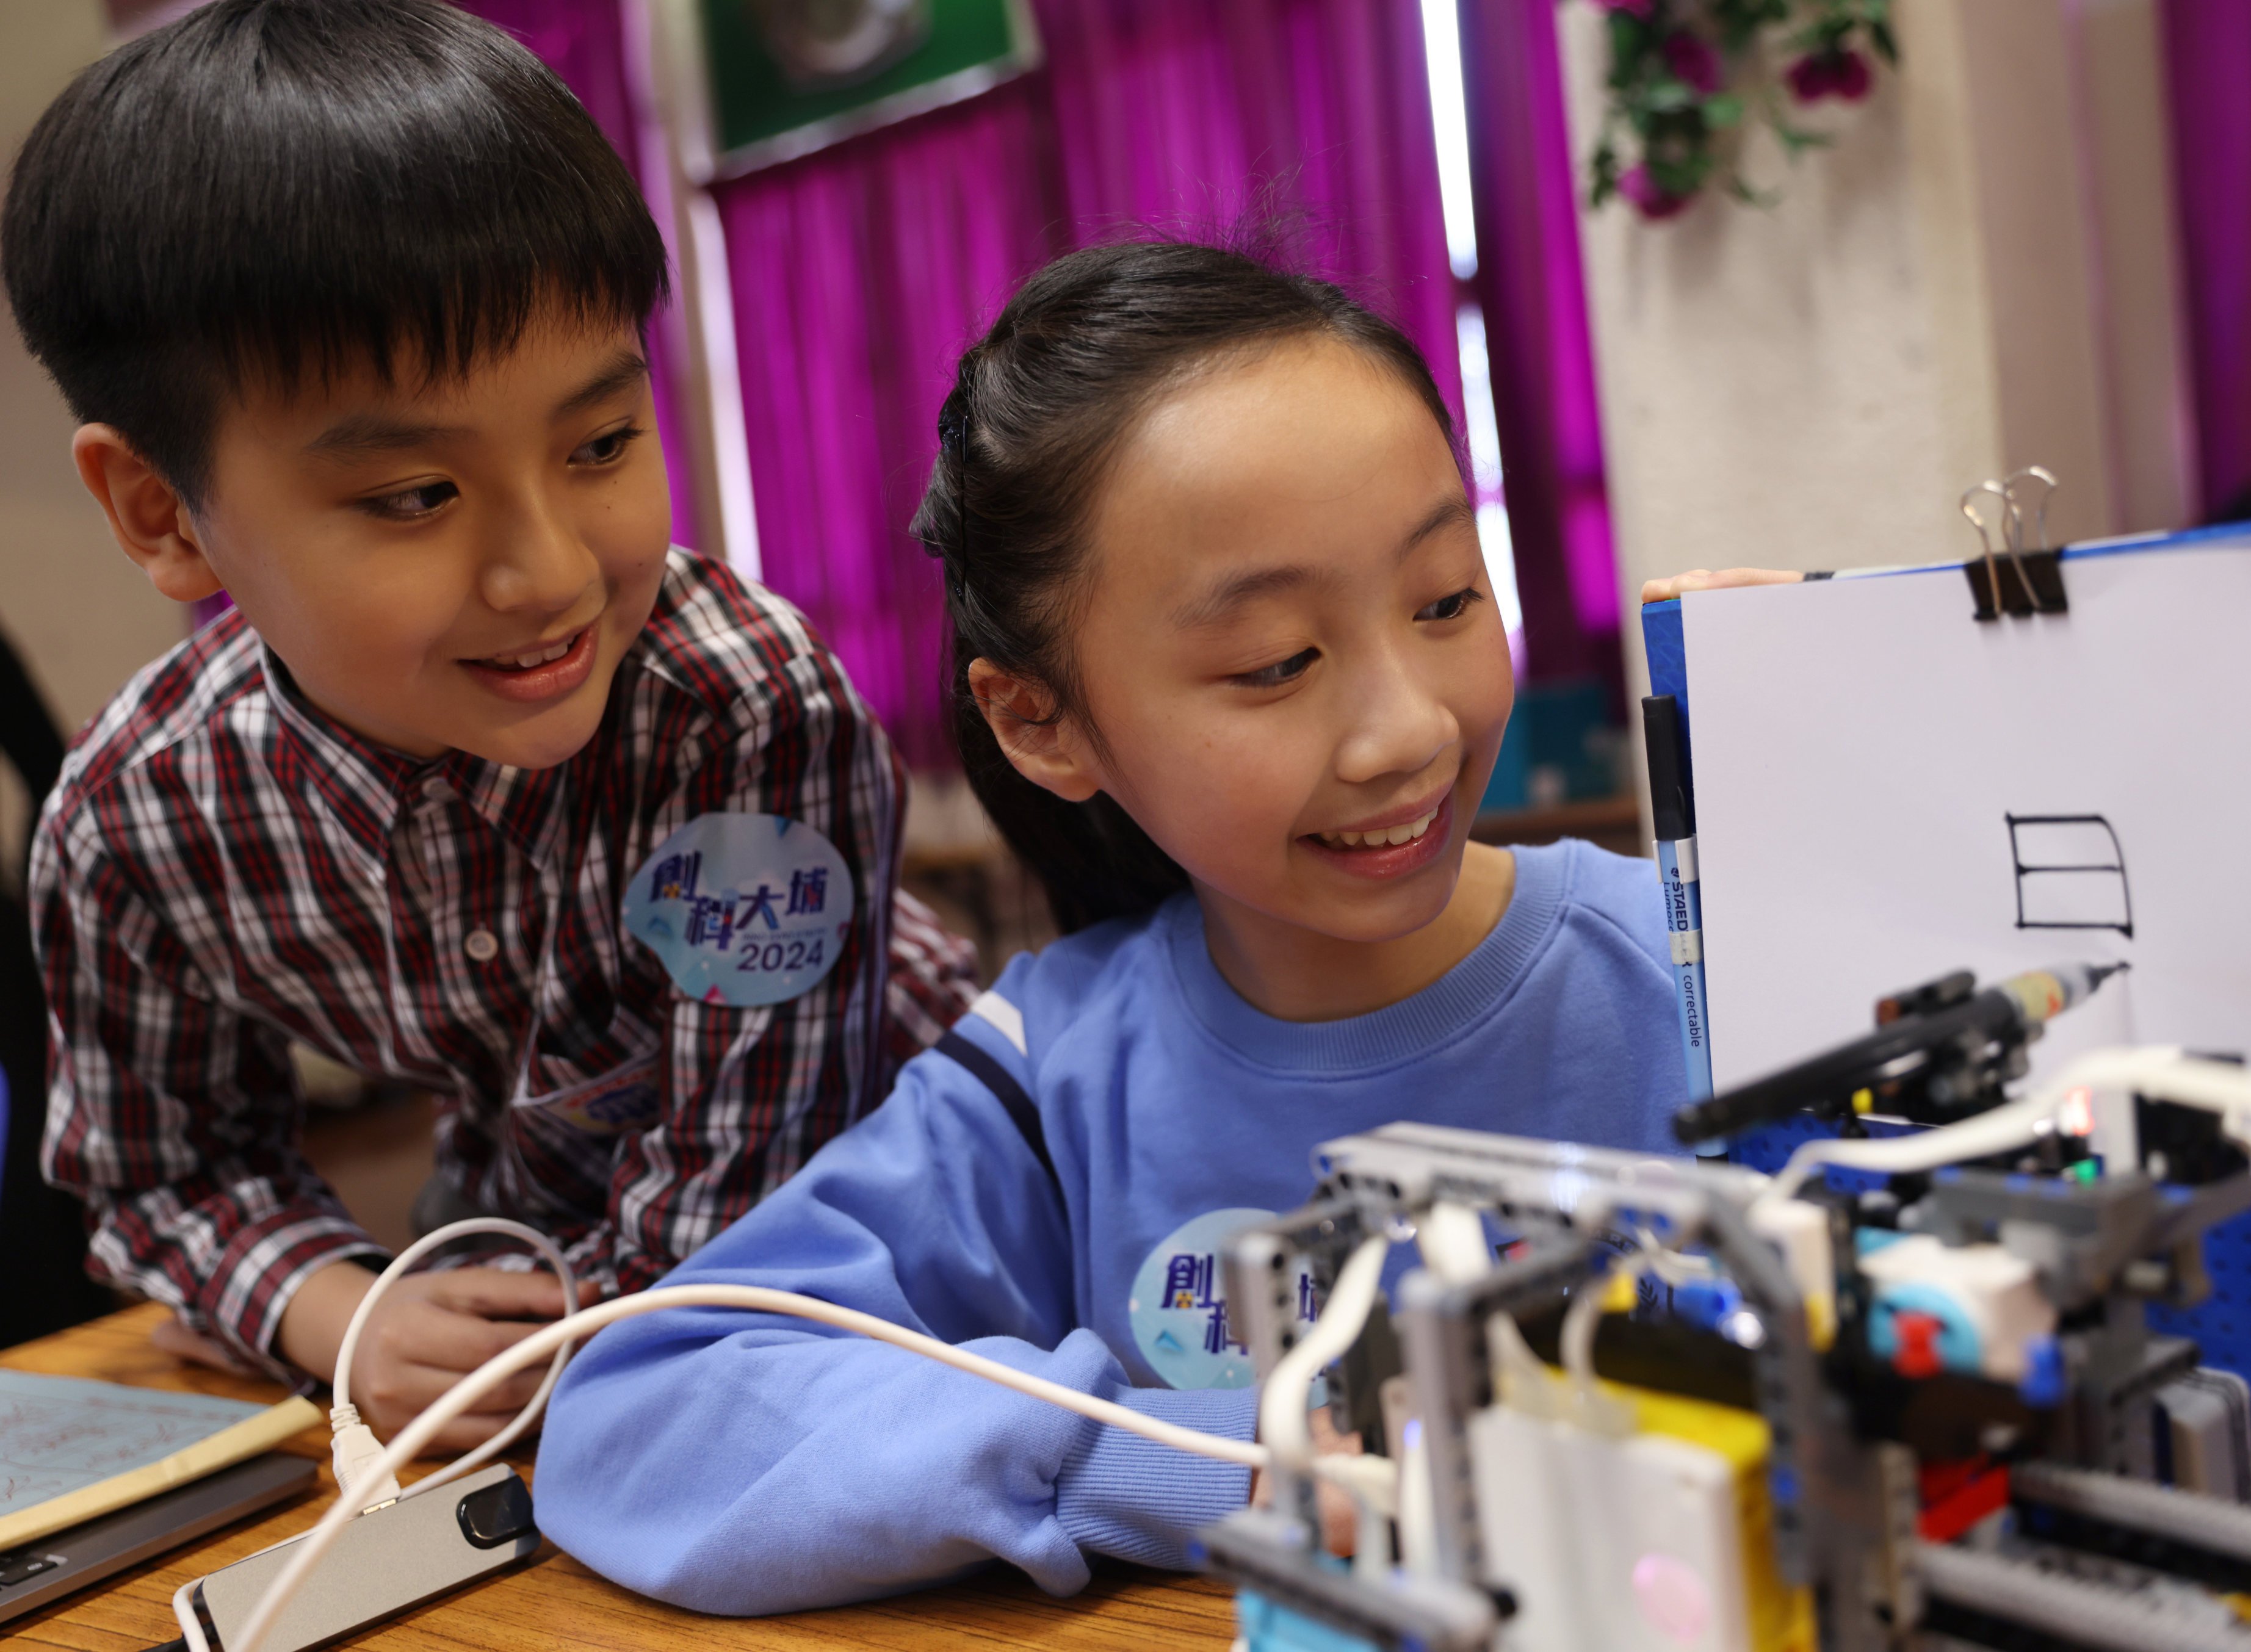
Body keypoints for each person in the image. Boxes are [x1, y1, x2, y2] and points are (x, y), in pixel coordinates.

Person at [533, 240, 1702, 1614]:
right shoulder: (1049, 1073)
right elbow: (645, 1409)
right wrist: (1199, 1462)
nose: (1409, 731)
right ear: (1041, 720)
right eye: (1275, 662)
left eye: (1445, 598)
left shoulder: (1698, 960)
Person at [5, 0, 974, 1444]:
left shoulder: (741, 712)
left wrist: (520, 1377)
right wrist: (340, 1314)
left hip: (902, 1201)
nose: (550, 574)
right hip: (530, 1232)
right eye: (415, 496)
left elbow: (747, 1195)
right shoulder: (136, 816)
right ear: (164, 512)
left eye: (599, 445)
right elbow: (158, 1173)